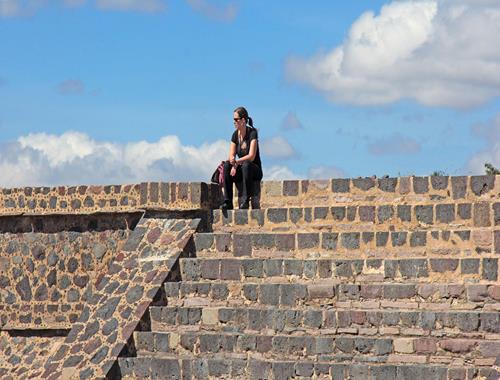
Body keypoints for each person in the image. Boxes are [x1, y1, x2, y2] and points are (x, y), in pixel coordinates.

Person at [220, 106, 263, 210]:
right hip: (242, 169)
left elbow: (251, 156)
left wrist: (236, 162)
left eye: (236, 120)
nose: (234, 122)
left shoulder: (252, 133)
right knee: (226, 165)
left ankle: (245, 200)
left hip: (253, 170)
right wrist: (232, 162)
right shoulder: (235, 135)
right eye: (233, 120)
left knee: (246, 164)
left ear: (243, 120)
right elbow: (231, 154)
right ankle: (228, 201)